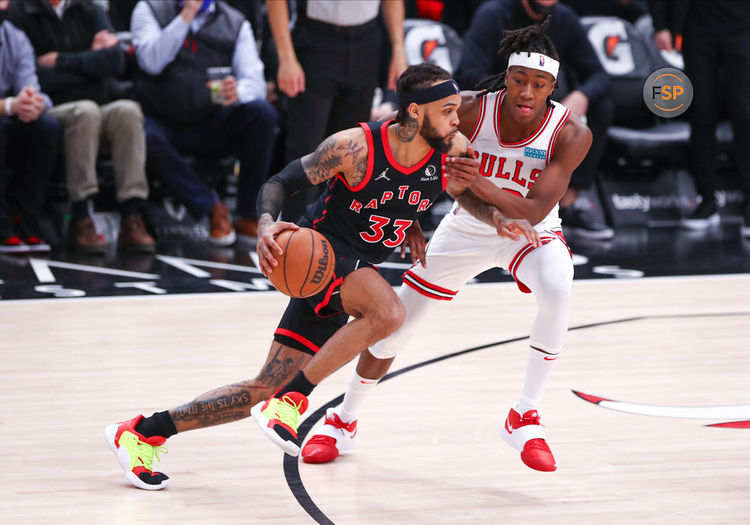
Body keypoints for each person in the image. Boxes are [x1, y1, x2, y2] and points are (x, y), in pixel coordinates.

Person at [104, 62, 538, 489]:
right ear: (415, 111)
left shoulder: (453, 147)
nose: (456, 118)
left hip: (349, 273)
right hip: (323, 255)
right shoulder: (355, 146)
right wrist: (265, 224)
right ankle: (293, 401)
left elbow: (457, 193)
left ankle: (144, 431)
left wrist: (491, 217)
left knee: (260, 388)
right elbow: (279, 182)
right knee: (389, 314)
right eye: (446, 110)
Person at [301, 19, 592, 473]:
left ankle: (524, 416)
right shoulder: (472, 110)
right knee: (396, 324)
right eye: (519, 81)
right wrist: (408, 211)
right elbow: (400, 135)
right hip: (465, 227)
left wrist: (481, 182)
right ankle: (344, 419)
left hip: (531, 233)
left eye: (539, 85)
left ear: (554, 86)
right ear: (507, 78)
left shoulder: (571, 133)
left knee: (557, 287)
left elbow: (533, 210)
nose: (526, 93)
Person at [455, 0, 613, 240]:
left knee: (601, 106)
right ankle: (426, 200)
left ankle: (568, 201)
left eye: (539, 83)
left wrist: (582, 95)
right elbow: (469, 72)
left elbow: (599, 74)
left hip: (543, 112)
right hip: (497, 105)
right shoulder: (493, 14)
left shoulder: (565, 19)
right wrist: (507, 94)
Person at [10, 0, 155, 254]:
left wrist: (61, 60)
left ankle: (132, 215)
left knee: (128, 111)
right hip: (54, 108)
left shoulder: (90, 8)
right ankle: (81, 216)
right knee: (85, 111)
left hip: (101, 104)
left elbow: (115, 61)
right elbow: (34, 76)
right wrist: (91, 59)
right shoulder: (21, 12)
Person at [131, 0, 278, 245]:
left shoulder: (235, 22)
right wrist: (186, 15)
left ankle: (247, 216)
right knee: (140, 134)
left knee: (262, 114)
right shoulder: (150, 8)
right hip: (161, 120)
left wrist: (237, 91)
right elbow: (150, 61)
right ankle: (211, 209)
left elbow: (255, 83)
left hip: (211, 120)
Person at [266, 0, 408, 221]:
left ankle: (335, 241)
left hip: (367, 42)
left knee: (351, 150)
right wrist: (286, 58)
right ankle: (292, 236)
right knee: (307, 150)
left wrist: (398, 49)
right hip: (316, 41)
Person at [649, 1, 750, 236]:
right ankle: (706, 201)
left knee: (745, 114)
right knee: (701, 114)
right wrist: (661, 24)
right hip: (696, 27)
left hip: (743, 25)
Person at [0, 0, 61, 253]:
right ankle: (2, 223)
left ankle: (26, 217)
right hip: (4, 113)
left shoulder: (15, 37)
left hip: (10, 113)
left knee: (46, 127)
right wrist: (11, 105)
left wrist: (31, 100)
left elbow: (32, 85)